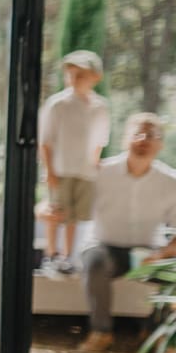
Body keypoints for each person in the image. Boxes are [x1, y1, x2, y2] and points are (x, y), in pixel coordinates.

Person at [76, 111, 176, 353]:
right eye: (137, 133)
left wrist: (162, 254)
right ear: (124, 140)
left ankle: (154, 332)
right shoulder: (100, 173)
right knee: (94, 260)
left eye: (151, 135)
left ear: (160, 145)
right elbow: (69, 208)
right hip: (105, 247)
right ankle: (101, 332)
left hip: (149, 253)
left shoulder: (170, 181)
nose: (143, 139)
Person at [38, 50, 110, 273]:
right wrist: (49, 171)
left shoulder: (100, 107)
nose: (74, 79)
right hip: (61, 169)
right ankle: (51, 254)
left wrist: (94, 164)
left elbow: (100, 140)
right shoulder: (58, 104)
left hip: (84, 171)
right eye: (71, 74)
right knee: (56, 212)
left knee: (74, 217)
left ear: (94, 77)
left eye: (80, 74)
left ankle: (67, 257)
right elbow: (46, 141)